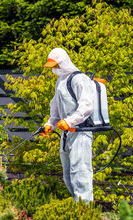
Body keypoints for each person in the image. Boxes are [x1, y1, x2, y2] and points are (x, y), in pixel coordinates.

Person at [41, 48, 95, 203]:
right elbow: (55, 106)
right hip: (66, 133)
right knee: (68, 173)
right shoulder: (61, 81)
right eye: (53, 66)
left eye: (56, 65)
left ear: (64, 62)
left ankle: (85, 210)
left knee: (81, 172)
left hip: (81, 131)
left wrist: (70, 121)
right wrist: (50, 124)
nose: (55, 69)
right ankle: (76, 206)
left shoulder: (79, 79)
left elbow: (87, 106)